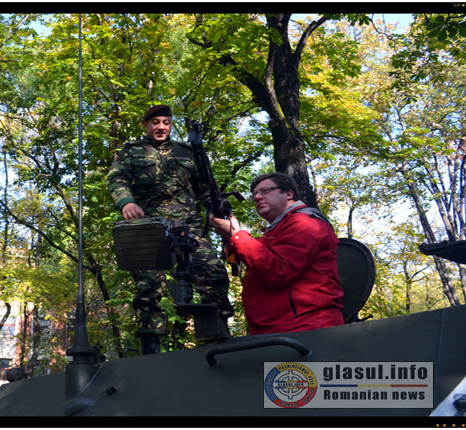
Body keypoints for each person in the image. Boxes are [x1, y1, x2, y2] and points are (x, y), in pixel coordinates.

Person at [107, 104, 234, 354]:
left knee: (214, 273)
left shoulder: (186, 152)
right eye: (155, 122)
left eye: (166, 122)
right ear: (146, 125)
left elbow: (205, 185)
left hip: (188, 226)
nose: (161, 127)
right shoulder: (132, 152)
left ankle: (218, 336)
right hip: (150, 226)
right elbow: (116, 178)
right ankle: (150, 344)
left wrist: (216, 210)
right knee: (148, 284)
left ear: (171, 124)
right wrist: (126, 202)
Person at [208, 172, 344, 335]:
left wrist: (235, 235)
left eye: (265, 191)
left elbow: (278, 270)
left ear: (288, 193)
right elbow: (258, 256)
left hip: (305, 330)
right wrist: (233, 241)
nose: (258, 197)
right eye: (255, 195)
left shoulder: (304, 223)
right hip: (277, 331)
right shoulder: (275, 234)